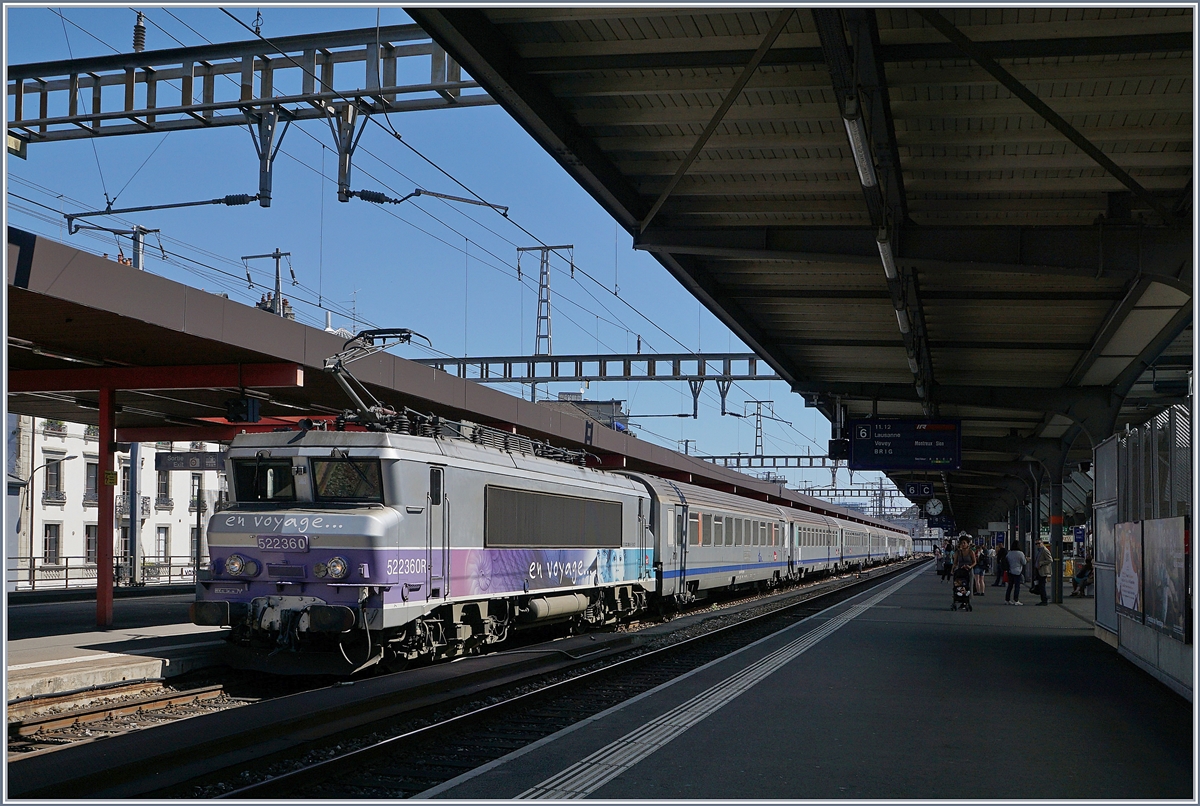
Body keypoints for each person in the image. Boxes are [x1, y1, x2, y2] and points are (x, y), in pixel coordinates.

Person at [1031, 538, 1053, 605]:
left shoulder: (1044, 550)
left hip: (1043, 570)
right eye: (1036, 544)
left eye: (1039, 543)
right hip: (1038, 570)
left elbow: (1050, 560)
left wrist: (1041, 563)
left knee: (1042, 586)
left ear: (1042, 543)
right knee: (1039, 585)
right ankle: (1043, 598)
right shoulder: (1039, 550)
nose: (1038, 545)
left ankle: (1044, 600)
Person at [1005, 539, 1026, 605]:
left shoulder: (1009, 553)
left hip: (1010, 571)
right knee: (1017, 586)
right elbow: (1024, 562)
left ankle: (1007, 600)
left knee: (1010, 586)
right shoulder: (1020, 553)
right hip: (1017, 571)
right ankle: (1016, 600)